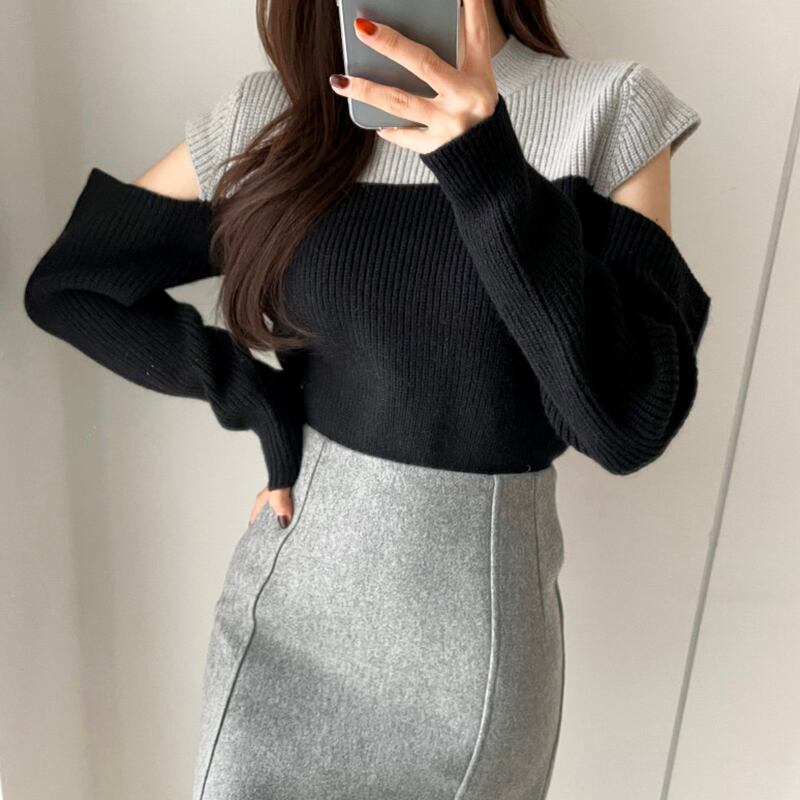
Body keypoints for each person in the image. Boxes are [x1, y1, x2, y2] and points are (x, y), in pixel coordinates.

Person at [23, 0, 712, 797]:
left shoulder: (610, 110)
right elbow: (75, 284)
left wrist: (485, 160)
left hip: (472, 656)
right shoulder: (276, 119)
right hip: (289, 623)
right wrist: (258, 400)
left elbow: (624, 425)